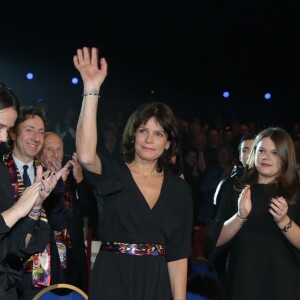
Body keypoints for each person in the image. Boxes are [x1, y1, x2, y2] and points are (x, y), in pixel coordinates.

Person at [74, 47, 193, 300]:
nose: (149, 139)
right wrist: (91, 89)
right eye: (143, 131)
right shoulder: (114, 173)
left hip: (155, 282)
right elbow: (85, 156)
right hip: (112, 279)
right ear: (133, 135)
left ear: (168, 143)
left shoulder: (178, 189)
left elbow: (178, 254)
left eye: (158, 134)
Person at [206, 127, 300, 300]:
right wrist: (240, 216)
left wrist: (283, 221)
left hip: (284, 284)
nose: (266, 157)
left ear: (286, 156)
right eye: (261, 150)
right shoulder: (235, 187)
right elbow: (215, 240)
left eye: (274, 152)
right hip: (243, 282)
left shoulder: (295, 192)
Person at [0, 84, 68, 299]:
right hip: (7, 269)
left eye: (40, 132)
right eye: (29, 129)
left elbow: (59, 225)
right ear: (13, 133)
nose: (36, 137)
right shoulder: (1, 169)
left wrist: (59, 188)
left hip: (43, 269)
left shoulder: (49, 175)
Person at [37, 132, 90, 293]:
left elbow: (91, 212)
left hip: (74, 256)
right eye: (49, 149)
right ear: (40, 153)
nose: (54, 154)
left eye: (58, 149)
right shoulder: (36, 178)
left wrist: (80, 180)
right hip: (46, 258)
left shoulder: (74, 177)